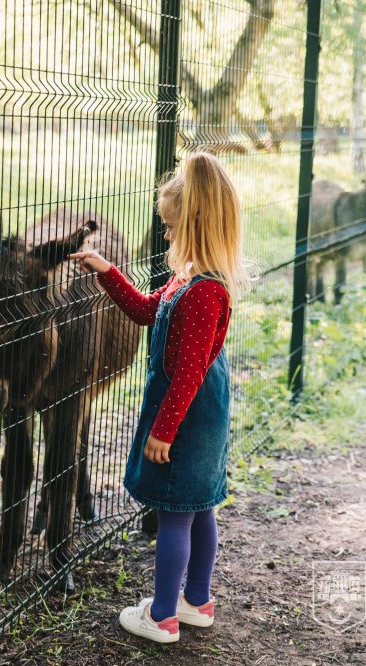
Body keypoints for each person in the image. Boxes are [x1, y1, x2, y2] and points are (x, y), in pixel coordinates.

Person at [70, 152, 249, 644]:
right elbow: (147, 310)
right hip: (197, 411)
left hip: (187, 416)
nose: (166, 237)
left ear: (195, 224)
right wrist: (107, 271)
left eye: (171, 228)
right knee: (200, 506)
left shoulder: (204, 292)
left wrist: (163, 431)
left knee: (175, 514)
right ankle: (197, 601)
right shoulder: (189, 277)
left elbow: (188, 374)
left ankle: (163, 616)